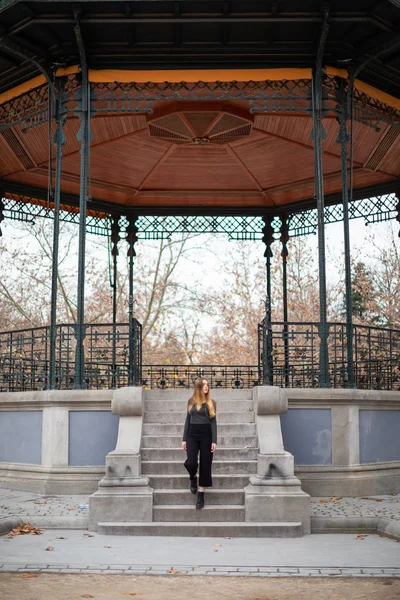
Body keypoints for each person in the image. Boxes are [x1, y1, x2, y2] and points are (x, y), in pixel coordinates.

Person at [181, 377, 217, 509]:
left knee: (205, 464)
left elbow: (213, 422)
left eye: (207, 385)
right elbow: (187, 420)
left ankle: (201, 494)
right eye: (204, 385)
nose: (206, 387)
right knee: (191, 462)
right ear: (198, 387)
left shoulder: (211, 402)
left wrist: (214, 441)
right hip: (192, 434)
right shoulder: (191, 401)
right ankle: (192, 477)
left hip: (206, 435)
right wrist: (184, 439)